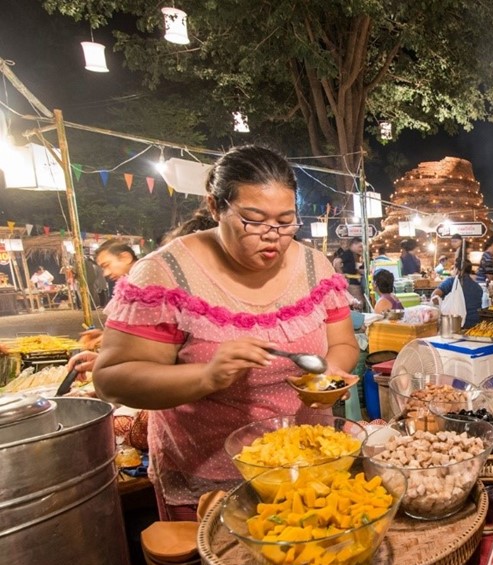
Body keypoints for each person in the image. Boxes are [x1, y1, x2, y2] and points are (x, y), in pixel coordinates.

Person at [92, 145, 359, 521]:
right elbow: (111, 380)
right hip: (210, 482)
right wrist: (207, 375)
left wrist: (330, 372)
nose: (273, 237)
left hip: (307, 467)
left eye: (286, 222)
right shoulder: (164, 273)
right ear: (216, 207)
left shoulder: (315, 266)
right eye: (253, 220)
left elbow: (343, 343)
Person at [431, 262, 483, 329]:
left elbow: (434, 296)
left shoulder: (451, 282)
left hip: (456, 325)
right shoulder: (478, 287)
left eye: (454, 268)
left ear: (457, 270)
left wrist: (443, 305)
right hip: (475, 326)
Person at [339, 237, 365, 306]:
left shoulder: (352, 255)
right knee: (359, 304)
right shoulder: (348, 254)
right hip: (352, 284)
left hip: (353, 282)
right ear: (353, 245)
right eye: (360, 246)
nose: (361, 249)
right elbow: (337, 262)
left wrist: (357, 271)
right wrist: (341, 275)